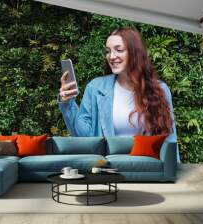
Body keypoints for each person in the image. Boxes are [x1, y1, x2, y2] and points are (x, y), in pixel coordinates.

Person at [58, 27, 179, 160]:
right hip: (109, 168)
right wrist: (67, 103)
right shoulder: (95, 88)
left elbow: (169, 138)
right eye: (108, 51)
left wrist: (172, 171)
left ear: (135, 53)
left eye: (119, 50)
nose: (112, 56)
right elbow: (82, 136)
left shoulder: (160, 89)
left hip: (146, 167)